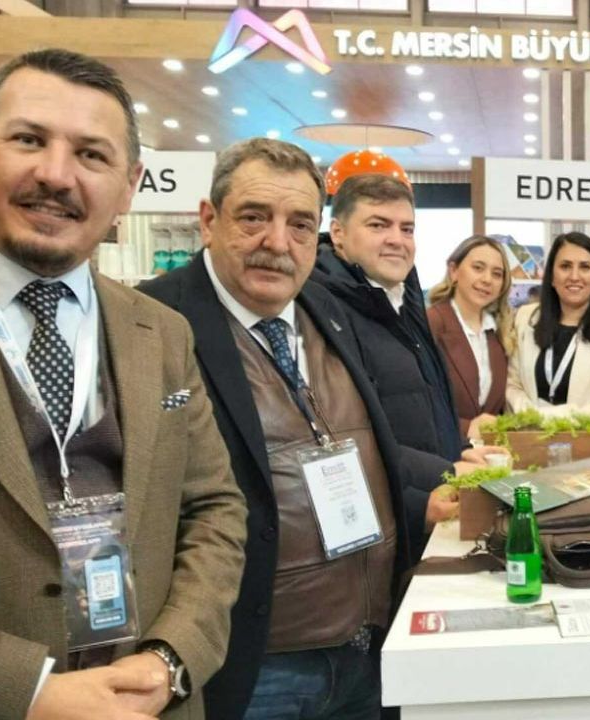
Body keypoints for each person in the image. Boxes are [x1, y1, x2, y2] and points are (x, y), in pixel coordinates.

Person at [140, 138, 452, 720]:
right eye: (254, 217)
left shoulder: (324, 308)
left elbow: (362, 447)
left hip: (364, 645)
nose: (278, 243)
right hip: (255, 664)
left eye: (300, 224)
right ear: (208, 220)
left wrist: (428, 495)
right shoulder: (154, 323)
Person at [0, 49, 247, 719]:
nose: (56, 175)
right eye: (28, 140)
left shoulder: (161, 332)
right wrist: (27, 690)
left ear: (129, 186)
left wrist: (170, 656)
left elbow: (215, 509)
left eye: (91, 154)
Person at [310, 172, 478, 471]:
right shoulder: (322, 313)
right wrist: (443, 472)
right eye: (378, 225)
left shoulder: (407, 300)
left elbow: (425, 401)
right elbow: (349, 438)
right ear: (338, 233)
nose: (397, 240)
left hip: (437, 488)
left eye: (407, 229)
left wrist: (459, 450)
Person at [505, 232, 590, 417]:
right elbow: (512, 385)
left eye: (585, 267)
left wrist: (544, 419)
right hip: (527, 432)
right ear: (551, 276)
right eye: (565, 266)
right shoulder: (524, 318)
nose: (574, 276)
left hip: (588, 435)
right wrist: (530, 417)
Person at [427, 235, 513, 440]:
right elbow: (417, 403)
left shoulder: (500, 333)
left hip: (490, 452)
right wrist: (465, 429)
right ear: (454, 271)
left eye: (497, 274)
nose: (487, 280)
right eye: (478, 268)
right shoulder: (430, 323)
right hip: (443, 450)